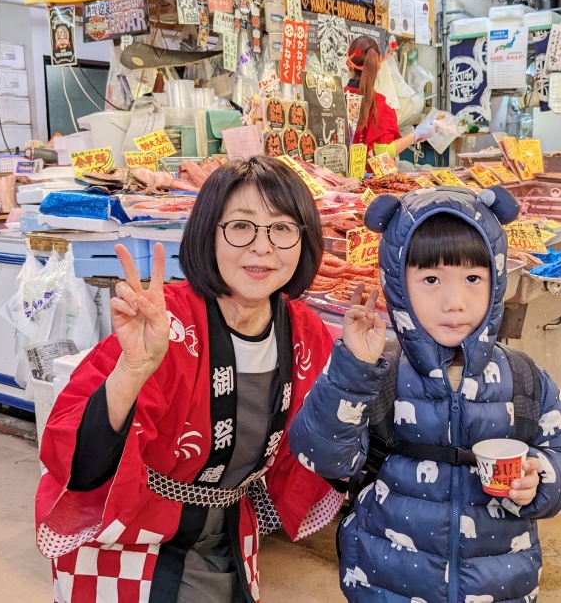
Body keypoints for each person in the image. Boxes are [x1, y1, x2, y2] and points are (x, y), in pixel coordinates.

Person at [36, 157, 344, 603]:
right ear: (208, 234)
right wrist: (133, 368)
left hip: (232, 534)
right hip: (132, 533)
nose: (262, 247)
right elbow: (78, 459)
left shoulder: (305, 332)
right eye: (241, 226)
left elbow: (313, 451)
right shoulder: (164, 321)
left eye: (282, 228)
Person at [288, 186, 561, 602]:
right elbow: (317, 454)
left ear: (496, 280)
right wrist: (352, 370)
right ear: (397, 282)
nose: (454, 302)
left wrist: (542, 479)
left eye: (472, 278)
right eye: (430, 279)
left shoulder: (524, 378)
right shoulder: (380, 373)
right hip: (387, 583)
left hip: (497, 585)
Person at [345, 36, 438, 166]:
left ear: (348, 63)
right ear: (378, 65)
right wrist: (416, 134)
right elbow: (383, 152)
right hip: (368, 182)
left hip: (334, 180)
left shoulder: (337, 96)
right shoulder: (381, 104)